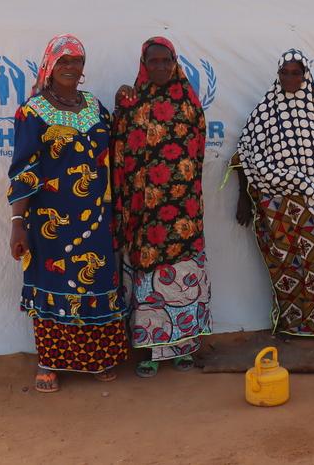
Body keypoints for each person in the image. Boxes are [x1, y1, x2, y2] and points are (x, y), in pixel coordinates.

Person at [7, 34, 128, 393]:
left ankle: (98, 359)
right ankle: (50, 362)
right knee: (53, 286)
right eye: (64, 61)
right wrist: (17, 224)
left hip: (97, 217)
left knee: (98, 283)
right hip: (50, 222)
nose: (72, 68)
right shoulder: (32, 112)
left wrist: (125, 108)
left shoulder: (94, 106)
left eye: (77, 61)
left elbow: (116, 149)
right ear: (50, 65)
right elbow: (23, 169)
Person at [232, 49, 314, 339]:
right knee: (288, 265)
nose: (290, 77)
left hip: (313, 198)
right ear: (277, 75)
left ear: (305, 75)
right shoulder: (266, 109)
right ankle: (295, 327)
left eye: (296, 72)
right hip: (275, 202)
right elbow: (243, 153)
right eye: (285, 72)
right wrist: (243, 197)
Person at [111, 37, 210, 378]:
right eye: (153, 61)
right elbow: (120, 152)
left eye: (165, 60)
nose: (160, 67)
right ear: (143, 63)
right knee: (150, 281)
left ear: (174, 61)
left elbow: (197, 151)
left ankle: (184, 346)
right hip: (146, 212)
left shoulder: (189, 102)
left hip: (183, 211)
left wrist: (185, 195)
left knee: (182, 278)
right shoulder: (132, 101)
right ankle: (151, 351)